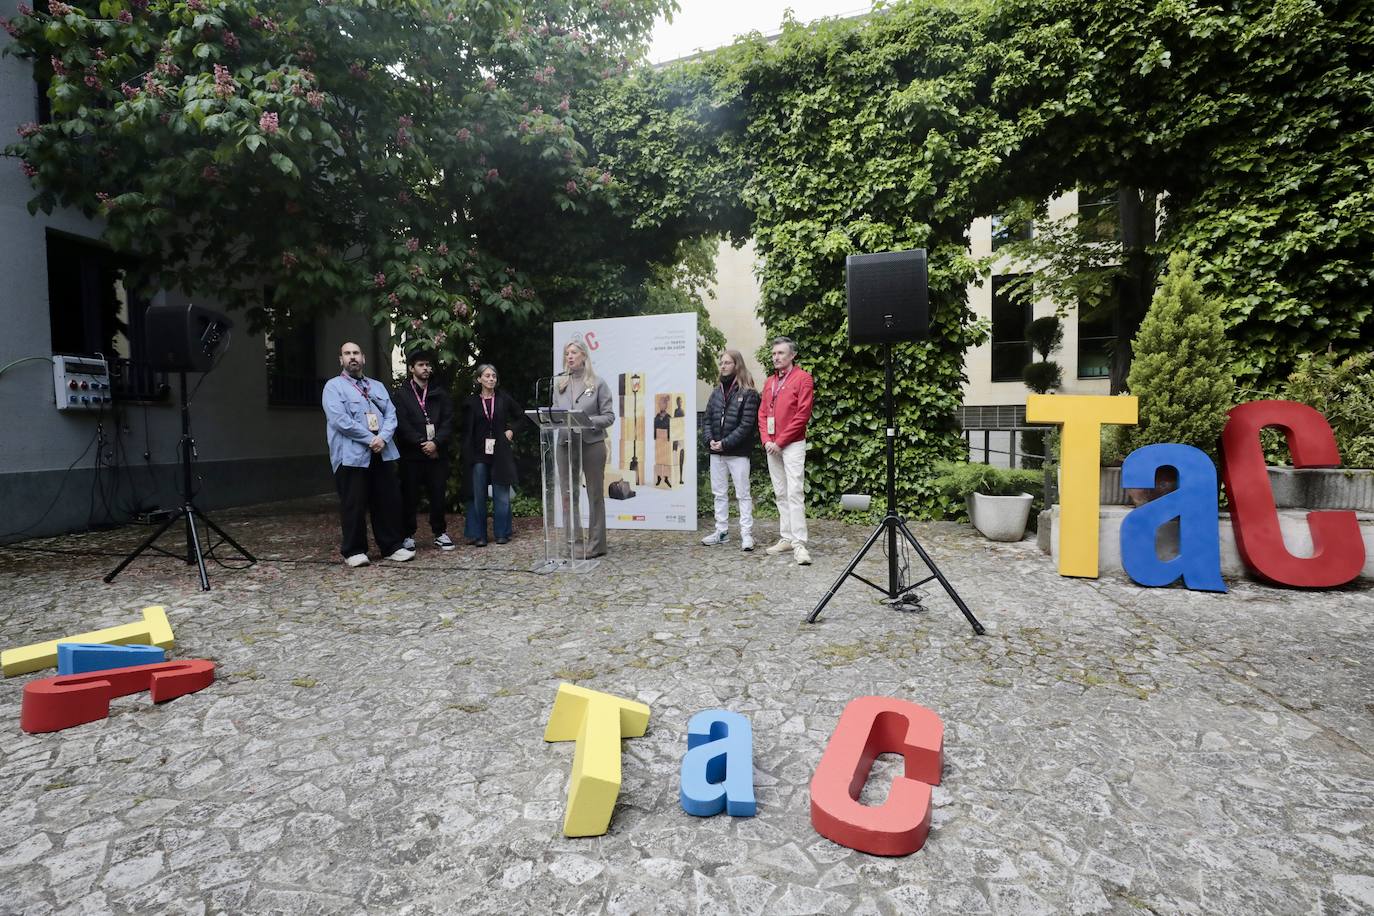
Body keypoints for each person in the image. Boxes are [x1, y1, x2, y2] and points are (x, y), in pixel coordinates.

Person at [322, 342, 415, 567]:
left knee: (387, 501)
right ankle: (354, 550)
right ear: (340, 360)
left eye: (356, 353)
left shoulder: (377, 387)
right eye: (347, 354)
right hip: (351, 455)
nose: (352, 357)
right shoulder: (333, 387)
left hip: (382, 452)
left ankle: (391, 546)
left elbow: (391, 414)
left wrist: (382, 437)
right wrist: (369, 438)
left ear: (363, 358)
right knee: (353, 503)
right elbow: (339, 420)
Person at [553, 338, 615, 558]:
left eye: (574, 352)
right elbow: (554, 413)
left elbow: (609, 416)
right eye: (567, 353)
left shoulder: (598, 384)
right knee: (568, 495)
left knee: (594, 494)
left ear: (584, 356)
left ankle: (596, 545)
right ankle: (573, 544)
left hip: (591, 443)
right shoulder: (559, 384)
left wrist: (586, 420)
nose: (569, 356)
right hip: (565, 443)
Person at [758, 336, 815, 565]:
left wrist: (780, 441)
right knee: (780, 492)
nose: (776, 357)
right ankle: (786, 537)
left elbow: (803, 415)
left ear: (792, 355)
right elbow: (762, 414)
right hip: (772, 445)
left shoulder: (803, 378)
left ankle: (800, 544)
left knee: (794, 492)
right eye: (773, 354)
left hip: (792, 444)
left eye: (781, 353)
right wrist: (766, 440)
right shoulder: (769, 382)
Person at [393, 350, 455, 551]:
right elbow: (401, 424)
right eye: (421, 365)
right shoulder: (402, 394)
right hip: (411, 455)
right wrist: (422, 443)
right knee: (409, 496)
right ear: (411, 368)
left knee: (437, 494)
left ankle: (439, 532)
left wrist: (436, 443)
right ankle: (407, 535)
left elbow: (448, 421)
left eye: (428, 365)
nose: (426, 368)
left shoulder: (440, 393)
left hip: (437, 453)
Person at [701, 349, 760, 551]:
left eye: (727, 362)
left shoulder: (748, 392)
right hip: (716, 453)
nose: (723, 366)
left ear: (737, 365)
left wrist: (725, 443)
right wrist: (710, 440)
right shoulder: (716, 392)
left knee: (743, 494)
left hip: (737, 453)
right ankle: (722, 532)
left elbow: (746, 425)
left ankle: (746, 535)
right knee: (719, 494)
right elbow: (707, 419)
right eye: (722, 362)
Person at [462, 364, 521, 546]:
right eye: (487, 376)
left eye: (493, 376)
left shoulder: (503, 399)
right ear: (479, 379)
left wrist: (511, 431)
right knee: (478, 494)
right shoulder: (470, 402)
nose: (491, 379)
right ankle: (479, 535)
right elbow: (466, 430)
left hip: (500, 452)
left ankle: (502, 532)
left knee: (501, 494)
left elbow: (521, 416)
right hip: (478, 454)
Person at [653, 399, 672, 487]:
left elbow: (670, 428)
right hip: (659, 440)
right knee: (659, 460)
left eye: (663, 404)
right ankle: (659, 477)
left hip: (666, 441)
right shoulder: (657, 416)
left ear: (666, 406)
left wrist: (669, 437)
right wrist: (654, 436)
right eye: (660, 404)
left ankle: (666, 478)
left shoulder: (668, 417)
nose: (661, 406)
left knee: (666, 460)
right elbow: (655, 426)